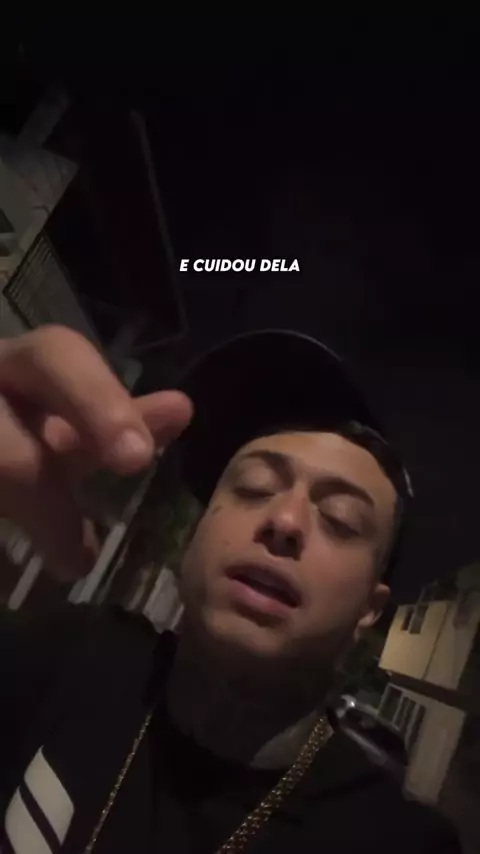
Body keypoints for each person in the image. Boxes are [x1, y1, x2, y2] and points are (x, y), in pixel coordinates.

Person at [0, 325, 460, 853]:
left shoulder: (397, 842)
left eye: (340, 519)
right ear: (195, 540)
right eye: (254, 487)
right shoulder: (73, 655)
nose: (285, 520)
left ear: (368, 611)